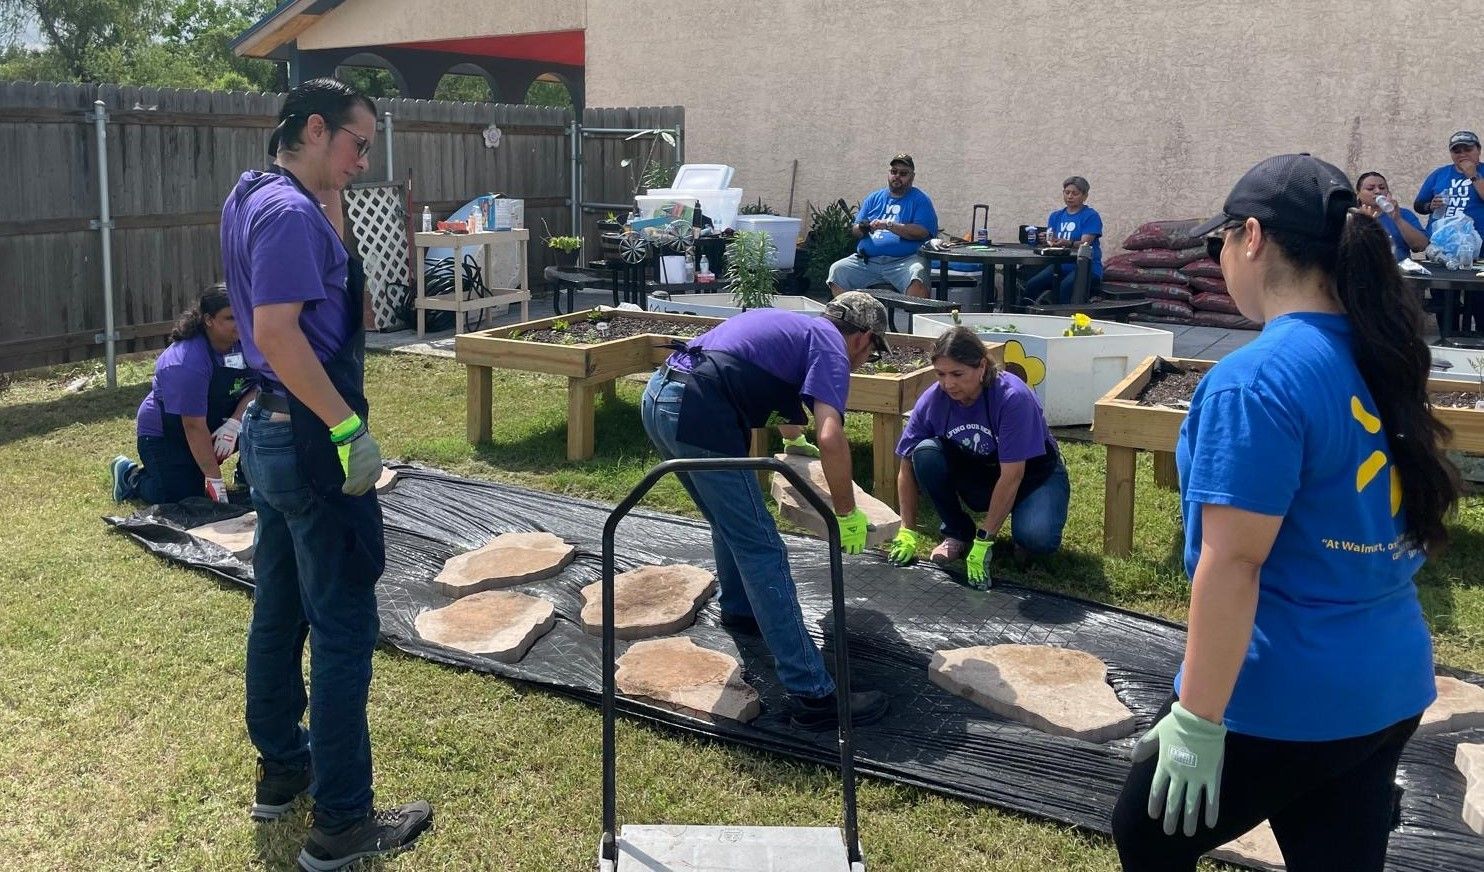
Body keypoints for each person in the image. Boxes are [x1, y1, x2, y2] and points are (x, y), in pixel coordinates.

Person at [1111, 154, 1459, 872]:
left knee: (1145, 832)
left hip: (1288, 693)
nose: (1217, 260)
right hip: (1391, 682)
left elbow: (1234, 563)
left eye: (1219, 242)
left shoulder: (1255, 379)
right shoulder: (1380, 351)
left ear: (1252, 237)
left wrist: (1197, 721)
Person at [220, 77, 432, 870]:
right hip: (310, 440)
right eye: (356, 144)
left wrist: (332, 186)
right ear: (316, 128)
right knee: (343, 628)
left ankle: (284, 768)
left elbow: (331, 271)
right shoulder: (286, 215)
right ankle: (342, 822)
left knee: (279, 610)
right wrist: (347, 428)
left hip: (271, 438)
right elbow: (279, 333)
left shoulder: (255, 193)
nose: (363, 161)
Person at [640, 291, 894, 730]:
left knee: (731, 524)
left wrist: (794, 440)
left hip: (661, 397)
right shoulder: (833, 346)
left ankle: (741, 610)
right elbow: (831, 435)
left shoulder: (797, 328)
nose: (863, 361)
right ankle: (812, 693)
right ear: (863, 337)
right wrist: (846, 512)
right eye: (871, 353)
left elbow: (776, 389)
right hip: (697, 411)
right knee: (763, 548)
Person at [885, 327, 1068, 588]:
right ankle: (957, 532)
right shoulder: (934, 400)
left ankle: (1020, 534)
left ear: (981, 366)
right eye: (940, 374)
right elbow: (905, 463)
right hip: (983, 472)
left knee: (1037, 538)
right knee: (925, 452)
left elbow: (1013, 475)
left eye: (957, 374)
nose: (948, 384)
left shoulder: (1012, 398)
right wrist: (907, 529)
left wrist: (984, 541)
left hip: (1033, 474)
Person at [109, 285, 255, 504]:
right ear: (208, 320)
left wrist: (235, 424)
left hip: (218, 421)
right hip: (169, 432)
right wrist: (214, 480)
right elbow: (193, 426)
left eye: (244, 313)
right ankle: (130, 477)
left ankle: (248, 474)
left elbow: (261, 387)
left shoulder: (251, 341)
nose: (241, 322)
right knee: (182, 496)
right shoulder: (186, 362)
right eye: (231, 318)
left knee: (265, 419)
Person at [826, 154, 940, 299]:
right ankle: (850, 311)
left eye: (903, 173)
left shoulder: (920, 199)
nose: (897, 176)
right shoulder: (874, 198)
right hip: (867, 261)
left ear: (912, 177)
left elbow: (921, 232)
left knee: (917, 273)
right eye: (894, 171)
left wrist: (889, 225)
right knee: (838, 270)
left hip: (905, 261)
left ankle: (915, 313)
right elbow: (855, 230)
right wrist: (863, 227)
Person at [1023, 176, 1103, 305]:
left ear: (1085, 196)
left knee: (1065, 287)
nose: (1070, 196)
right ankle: (1025, 313)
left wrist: (1068, 243)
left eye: (1075, 193)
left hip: (1086, 267)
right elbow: (1053, 241)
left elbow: (1085, 244)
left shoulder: (1091, 216)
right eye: (1067, 192)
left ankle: (1063, 315)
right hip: (1060, 265)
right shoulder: (1056, 216)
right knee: (1032, 285)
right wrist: (1046, 240)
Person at [1355, 172, 1429, 261]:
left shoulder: (1404, 214)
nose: (1378, 191)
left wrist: (1398, 219)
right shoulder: (1350, 215)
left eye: (1382, 188)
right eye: (1370, 189)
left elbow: (1421, 246)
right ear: (1358, 193)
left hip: (1398, 267)